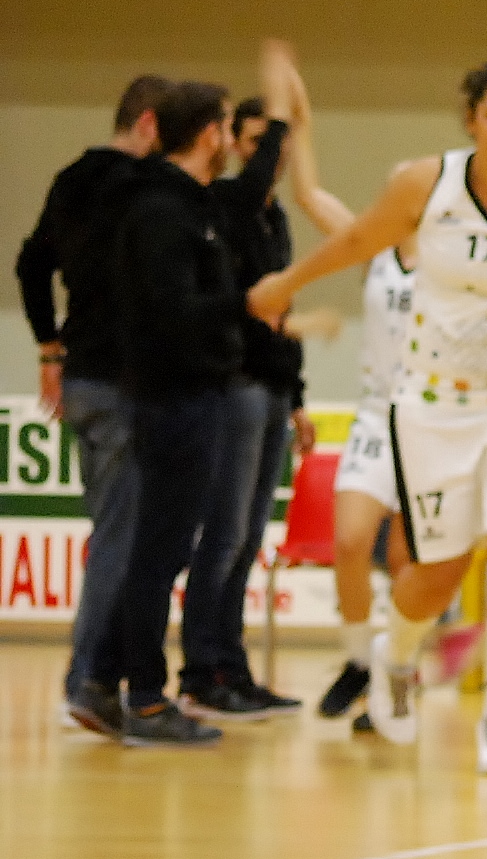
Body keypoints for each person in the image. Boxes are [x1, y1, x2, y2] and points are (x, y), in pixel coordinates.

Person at [249, 62, 487, 775]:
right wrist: (287, 284)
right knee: (440, 569)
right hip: (435, 401)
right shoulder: (426, 184)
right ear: (471, 121)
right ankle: (393, 654)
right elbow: (356, 241)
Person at [15, 74, 170, 735]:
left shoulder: (71, 178)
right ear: (150, 125)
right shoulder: (142, 191)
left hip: (80, 377)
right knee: (123, 539)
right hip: (122, 383)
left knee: (115, 532)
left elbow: (29, 264)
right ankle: (89, 681)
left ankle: (99, 680)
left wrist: (50, 350)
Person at [274, 63, 422, 732]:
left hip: (432, 421)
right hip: (375, 414)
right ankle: (359, 662)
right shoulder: (377, 248)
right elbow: (308, 193)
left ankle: (397, 676)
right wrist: (301, 121)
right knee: (352, 539)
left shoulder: (456, 254)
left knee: (406, 563)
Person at [103, 81, 245, 746]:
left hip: (190, 396)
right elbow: (171, 315)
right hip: (173, 399)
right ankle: (148, 699)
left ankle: (109, 680)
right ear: (211, 134)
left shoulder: (191, 205)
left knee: (158, 550)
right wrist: (248, 305)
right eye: (224, 128)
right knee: (158, 553)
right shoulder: (163, 211)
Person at [180, 44, 312, 719]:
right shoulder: (228, 201)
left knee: (249, 538)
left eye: (277, 141)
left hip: (268, 391)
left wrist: (297, 401)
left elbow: (279, 319)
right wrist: (283, 103)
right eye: (261, 141)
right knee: (224, 535)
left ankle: (231, 668)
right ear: (233, 142)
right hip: (232, 389)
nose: (275, 153)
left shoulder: (274, 217)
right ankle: (202, 671)